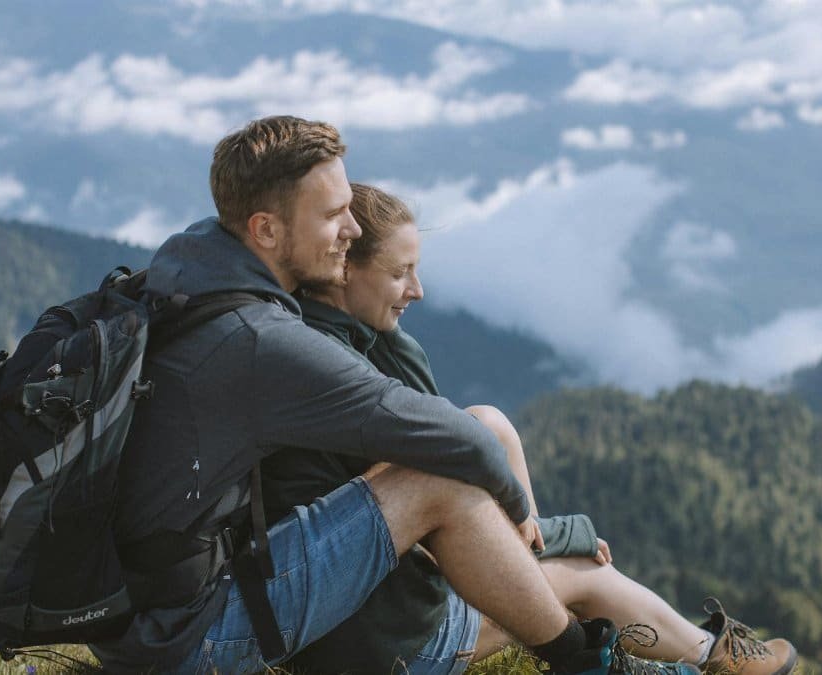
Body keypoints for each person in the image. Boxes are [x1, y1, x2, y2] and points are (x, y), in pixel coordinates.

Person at [89, 116, 636, 674]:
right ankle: (584, 661)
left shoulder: (192, 270)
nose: (351, 229)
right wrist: (529, 517)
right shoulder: (262, 342)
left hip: (144, 621)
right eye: (332, 215)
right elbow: (449, 437)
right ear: (266, 230)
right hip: (194, 640)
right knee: (432, 473)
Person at [267, 182, 799, 675]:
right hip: (390, 641)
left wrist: (554, 532)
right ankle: (719, 659)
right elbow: (437, 509)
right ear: (345, 270)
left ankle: (702, 649)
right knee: (583, 573)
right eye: (399, 272)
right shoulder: (347, 377)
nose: (418, 290)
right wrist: (574, 535)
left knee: (488, 425)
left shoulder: (336, 344)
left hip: (359, 608)